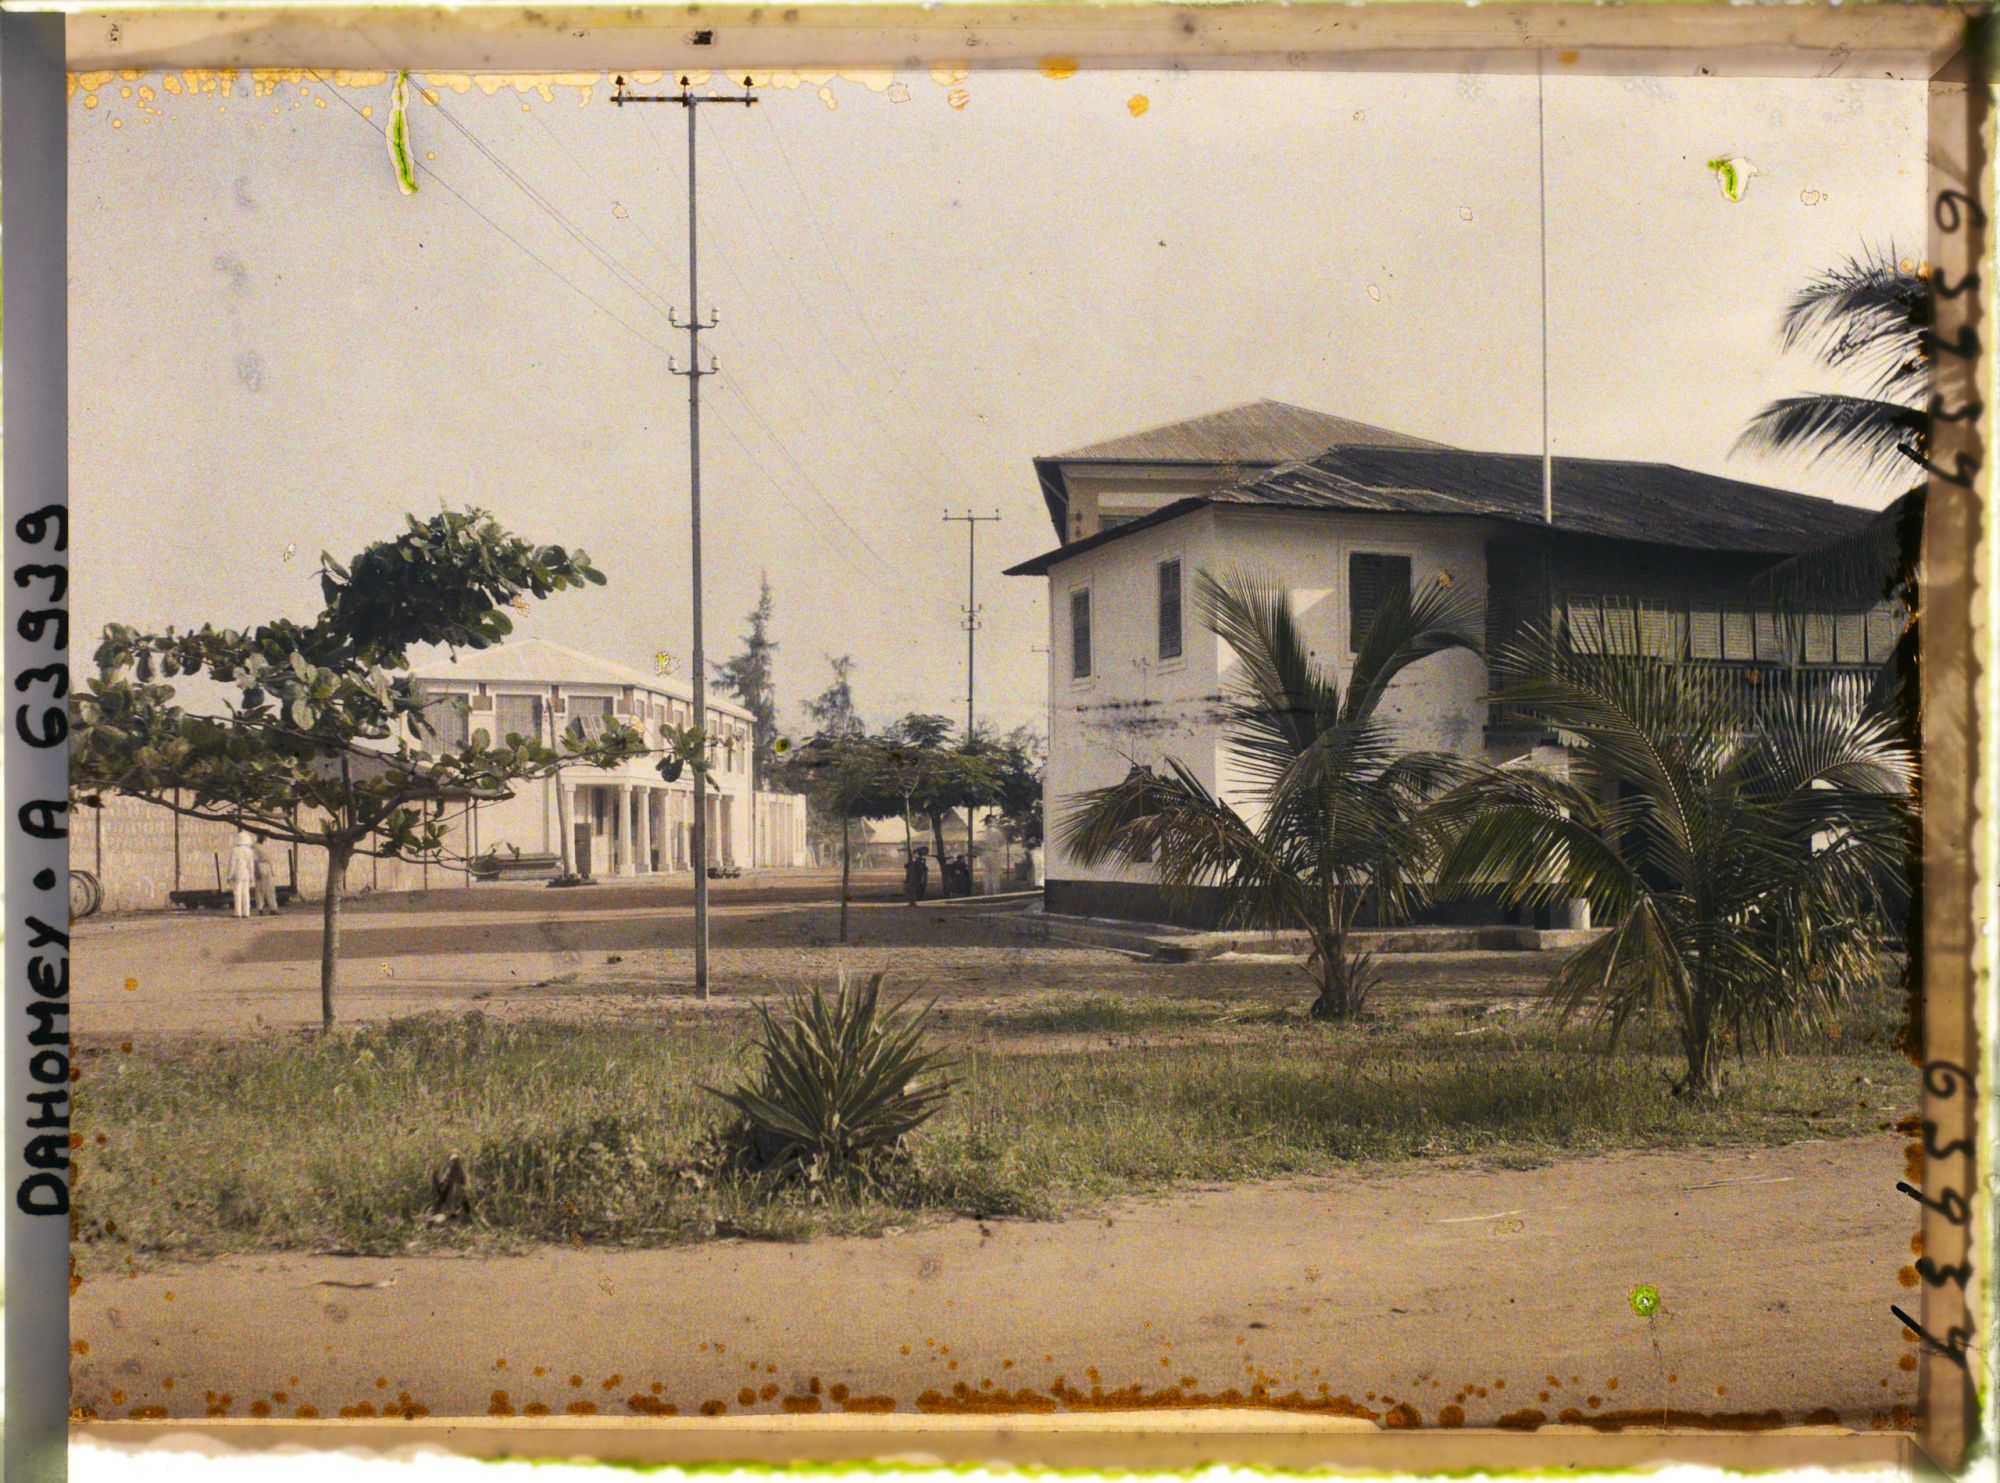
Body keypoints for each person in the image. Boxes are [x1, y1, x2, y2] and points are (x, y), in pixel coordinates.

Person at [227, 830, 257, 919]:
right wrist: (251, 876)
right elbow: (251, 865)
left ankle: (238, 912)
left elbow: (232, 864)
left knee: (237, 893)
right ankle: (246, 912)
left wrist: (229, 876)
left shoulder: (235, 850)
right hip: (246, 873)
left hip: (237, 872)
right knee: (246, 893)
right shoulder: (249, 851)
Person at [252, 839, 281, 916]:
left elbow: (270, 859)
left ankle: (273, 908)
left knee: (271, 888)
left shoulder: (266, 845)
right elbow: (254, 860)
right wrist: (257, 870)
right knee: (260, 889)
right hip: (260, 866)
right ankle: (260, 909)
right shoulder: (255, 847)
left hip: (267, 866)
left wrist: (272, 870)